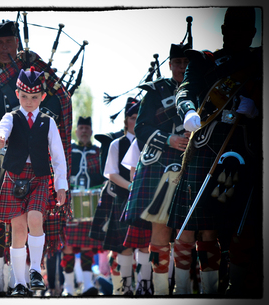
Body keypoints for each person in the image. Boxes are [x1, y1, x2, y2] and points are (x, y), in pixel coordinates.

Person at [0, 19, 72, 297]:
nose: (2, 47)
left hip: (31, 156)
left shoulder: (33, 68)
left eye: (8, 42)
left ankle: (19, 278)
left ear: (17, 42)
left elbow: (59, 100)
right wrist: (1, 126)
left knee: (27, 221)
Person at [169, 7, 262, 296]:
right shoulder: (203, 61)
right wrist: (187, 111)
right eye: (231, 29)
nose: (237, 35)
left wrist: (258, 108)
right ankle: (187, 294)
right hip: (208, 146)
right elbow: (185, 90)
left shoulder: (259, 61)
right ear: (222, 31)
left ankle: (236, 291)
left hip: (246, 149)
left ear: (253, 33)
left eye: (243, 30)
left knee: (242, 228)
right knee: (195, 227)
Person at [123, 42, 193, 295]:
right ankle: (162, 293)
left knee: (190, 233)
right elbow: (140, 128)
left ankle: (185, 292)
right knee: (160, 233)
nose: (182, 67)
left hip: (196, 164)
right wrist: (169, 139)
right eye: (177, 63)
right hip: (161, 165)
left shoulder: (205, 89)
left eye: (186, 63)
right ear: (170, 63)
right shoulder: (156, 91)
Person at [0, 67, 68, 297]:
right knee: (17, 228)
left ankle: (35, 269)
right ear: (17, 94)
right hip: (15, 176)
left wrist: (61, 185)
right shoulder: (11, 117)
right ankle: (19, 283)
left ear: (42, 97)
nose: (28, 101)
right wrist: (0, 137)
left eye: (34, 97)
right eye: (24, 96)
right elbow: (2, 128)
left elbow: (58, 156)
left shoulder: (48, 122)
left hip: (39, 177)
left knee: (35, 218)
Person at [100, 99, 154, 295]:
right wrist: (133, 187)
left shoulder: (149, 141)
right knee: (123, 246)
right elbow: (111, 173)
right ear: (126, 121)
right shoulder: (117, 144)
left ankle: (145, 285)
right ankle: (125, 288)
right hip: (123, 199)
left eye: (139, 117)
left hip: (147, 201)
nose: (136, 121)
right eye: (132, 118)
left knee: (145, 245)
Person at [60, 116, 105, 296]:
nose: (84, 131)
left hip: (91, 204)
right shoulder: (68, 150)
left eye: (87, 128)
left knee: (87, 245)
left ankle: (88, 285)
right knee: (68, 246)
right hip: (70, 203)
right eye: (81, 128)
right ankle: (68, 287)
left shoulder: (98, 152)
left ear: (91, 132)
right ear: (76, 131)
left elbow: (104, 175)